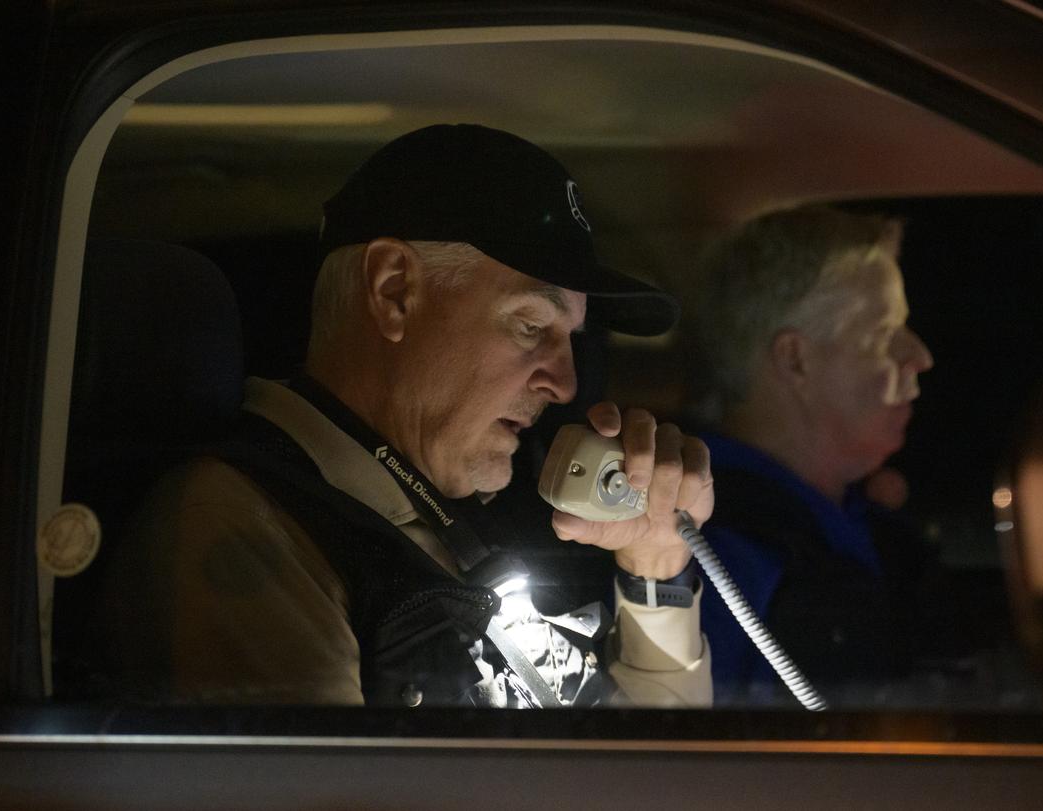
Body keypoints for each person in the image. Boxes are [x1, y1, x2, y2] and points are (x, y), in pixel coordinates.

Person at [96, 124, 714, 708]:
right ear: (395, 292)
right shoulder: (246, 526)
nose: (566, 383)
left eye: (572, 339)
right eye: (531, 325)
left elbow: (643, 773)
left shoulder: (460, 519)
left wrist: (655, 568)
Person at [687, 202, 949, 707]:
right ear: (795, 359)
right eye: (885, 333)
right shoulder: (712, 554)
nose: (920, 356)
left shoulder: (849, 522)